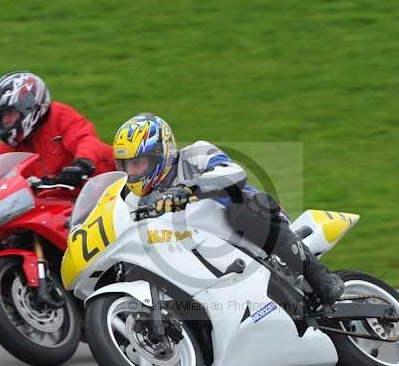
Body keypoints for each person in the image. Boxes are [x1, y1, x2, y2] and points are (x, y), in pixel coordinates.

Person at [111, 112, 344, 304]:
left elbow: (233, 173)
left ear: (160, 154)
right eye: (126, 165)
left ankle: (318, 274)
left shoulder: (195, 155)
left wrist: (188, 189)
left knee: (243, 207)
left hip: (248, 224)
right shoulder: (134, 200)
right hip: (198, 252)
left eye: (137, 164)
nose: (132, 173)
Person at [0, 71, 116, 186]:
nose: (6, 121)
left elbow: (84, 139)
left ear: (28, 106)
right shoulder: (6, 151)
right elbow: (1, 187)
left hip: (108, 184)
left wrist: (81, 164)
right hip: (62, 203)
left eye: (10, 113)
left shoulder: (60, 116)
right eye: (1, 116)